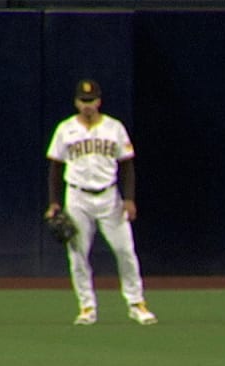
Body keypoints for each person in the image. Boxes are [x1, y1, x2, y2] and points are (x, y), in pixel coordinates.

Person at [45, 79, 157, 326]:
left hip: (109, 196)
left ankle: (136, 303)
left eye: (91, 100)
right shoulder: (65, 129)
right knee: (78, 254)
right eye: (83, 101)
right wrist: (54, 203)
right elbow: (55, 168)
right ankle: (87, 307)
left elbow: (127, 165)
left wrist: (128, 199)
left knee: (125, 250)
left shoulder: (114, 128)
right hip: (77, 197)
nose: (87, 105)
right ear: (76, 102)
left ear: (99, 101)